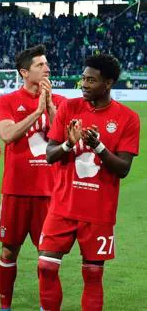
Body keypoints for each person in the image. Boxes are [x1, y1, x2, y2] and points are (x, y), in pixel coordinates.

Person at [39, 54, 140, 311]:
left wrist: (99, 146)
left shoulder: (128, 118)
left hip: (98, 211)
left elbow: (123, 169)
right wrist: (68, 143)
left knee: (93, 275)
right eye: (83, 78)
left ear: (108, 83)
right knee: (46, 267)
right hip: (63, 205)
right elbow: (50, 155)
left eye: (91, 80)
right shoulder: (69, 108)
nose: (84, 84)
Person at [0, 44, 65, 311]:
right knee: (8, 251)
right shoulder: (6, 101)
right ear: (25, 72)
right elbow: (8, 136)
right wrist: (36, 111)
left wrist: (49, 108)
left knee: (47, 257)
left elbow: (68, 138)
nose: (47, 68)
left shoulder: (61, 102)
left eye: (46, 64)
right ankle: (5, 307)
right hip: (15, 191)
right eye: (40, 65)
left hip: (50, 193)